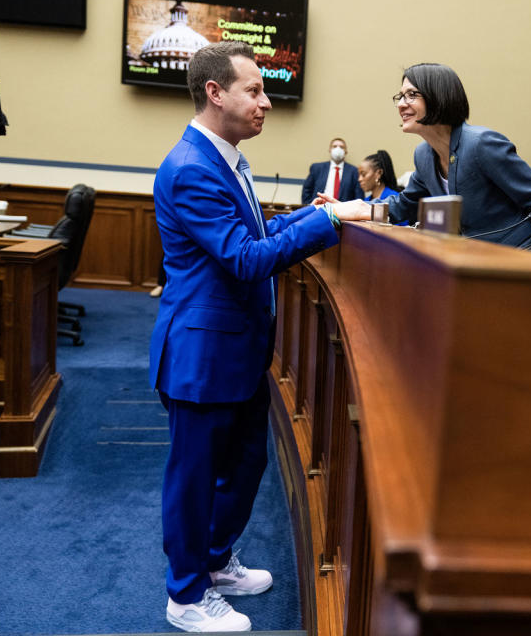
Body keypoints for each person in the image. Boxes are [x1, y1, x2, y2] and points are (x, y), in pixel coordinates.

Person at [149, 41, 368, 633]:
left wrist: (321, 213)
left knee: (244, 465)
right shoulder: (192, 167)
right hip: (202, 351)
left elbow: (258, 227)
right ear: (215, 93)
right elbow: (245, 258)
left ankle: (215, 562)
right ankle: (185, 595)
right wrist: (329, 222)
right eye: (255, 90)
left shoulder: (224, 157)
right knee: (194, 477)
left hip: (237, 349)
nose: (266, 102)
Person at [371, 63, 531, 247]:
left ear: (437, 96)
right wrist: (354, 207)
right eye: (400, 97)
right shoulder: (423, 155)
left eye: (411, 95)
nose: (401, 104)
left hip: (521, 257)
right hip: (472, 261)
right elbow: (403, 205)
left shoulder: (481, 143)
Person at [300, 137, 365, 204]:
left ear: (346, 151)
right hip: (319, 209)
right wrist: (309, 207)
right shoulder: (317, 168)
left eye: (342, 147)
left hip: (343, 211)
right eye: (334, 146)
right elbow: (307, 190)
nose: (338, 149)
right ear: (330, 150)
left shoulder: (354, 171)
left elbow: (359, 195)